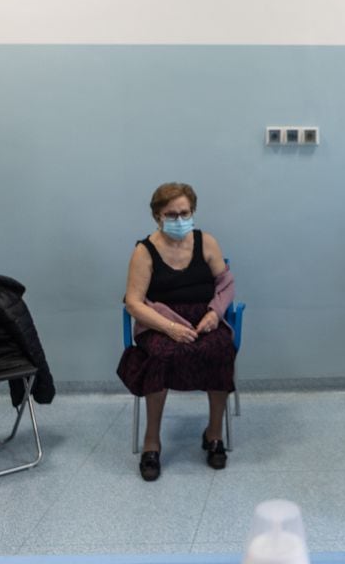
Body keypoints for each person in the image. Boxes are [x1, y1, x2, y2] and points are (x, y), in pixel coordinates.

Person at [117, 182, 236, 480]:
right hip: (159, 321)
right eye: (172, 214)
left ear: (193, 211)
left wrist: (214, 313)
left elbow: (225, 285)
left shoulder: (206, 242)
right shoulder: (144, 252)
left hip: (202, 318)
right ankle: (152, 442)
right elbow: (133, 302)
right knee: (161, 355)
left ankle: (213, 434)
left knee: (220, 348)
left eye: (185, 213)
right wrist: (170, 328)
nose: (180, 220)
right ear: (157, 216)